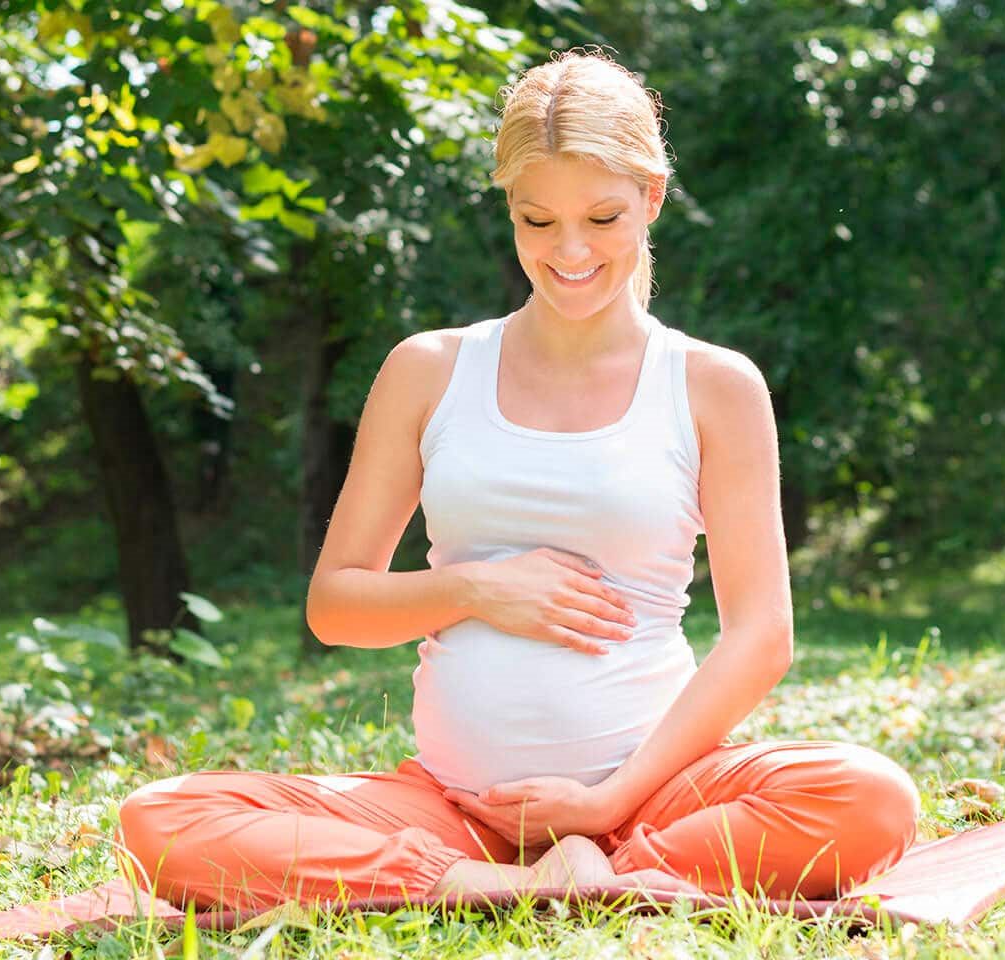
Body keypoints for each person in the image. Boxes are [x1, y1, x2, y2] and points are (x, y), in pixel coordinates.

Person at [115, 48, 919, 913]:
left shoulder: (713, 386)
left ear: (651, 199)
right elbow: (334, 607)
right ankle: (498, 885)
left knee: (871, 798)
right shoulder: (428, 371)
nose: (570, 251)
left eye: (603, 217)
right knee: (160, 819)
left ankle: (606, 867)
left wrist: (608, 804)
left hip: (652, 798)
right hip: (455, 808)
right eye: (538, 221)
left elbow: (762, 638)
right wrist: (472, 588)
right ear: (510, 212)